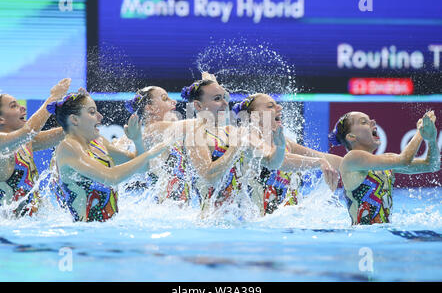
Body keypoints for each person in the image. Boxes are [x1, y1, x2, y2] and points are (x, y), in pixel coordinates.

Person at [47, 90, 170, 222]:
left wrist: (137, 139)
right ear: (74, 119)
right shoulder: (68, 147)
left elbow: (142, 168)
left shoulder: (98, 142)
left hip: (106, 230)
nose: (100, 117)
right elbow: (112, 177)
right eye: (92, 112)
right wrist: (149, 154)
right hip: (84, 235)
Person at [181, 74, 286, 216]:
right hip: (214, 223)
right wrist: (234, 149)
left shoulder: (236, 133)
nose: (225, 103)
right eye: (217, 99)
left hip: (247, 220)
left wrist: (279, 147)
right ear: (198, 106)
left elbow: (272, 162)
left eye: (224, 98)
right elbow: (209, 177)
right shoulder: (195, 137)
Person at [232, 93, 341, 215]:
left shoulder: (285, 142)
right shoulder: (246, 139)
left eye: (276, 105)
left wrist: (356, 164)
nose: (280, 107)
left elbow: (322, 156)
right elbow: (277, 161)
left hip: (284, 224)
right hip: (257, 228)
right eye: (270, 106)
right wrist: (319, 162)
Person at [329, 110, 440, 225]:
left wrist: (431, 140)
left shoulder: (386, 162)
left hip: (383, 233)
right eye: (364, 122)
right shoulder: (352, 159)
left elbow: (432, 166)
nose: (373, 121)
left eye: (370, 119)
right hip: (362, 237)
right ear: (352, 137)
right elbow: (404, 160)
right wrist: (420, 133)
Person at [0, 78, 71, 217]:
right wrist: (53, 97)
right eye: (13, 106)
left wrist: (80, 114)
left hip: (34, 224)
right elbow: (29, 131)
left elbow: (66, 131)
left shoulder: (24, 143)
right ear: (0, 119)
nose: (23, 108)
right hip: (13, 230)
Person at [115, 86, 197, 204]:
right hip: (169, 209)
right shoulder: (156, 128)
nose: (174, 101)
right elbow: (196, 124)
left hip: (169, 209)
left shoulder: (162, 133)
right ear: (150, 108)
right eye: (165, 99)